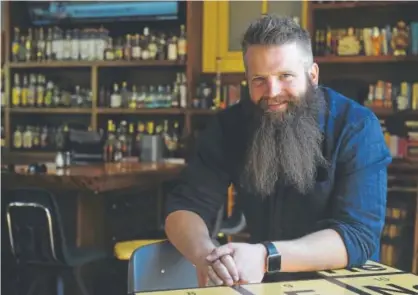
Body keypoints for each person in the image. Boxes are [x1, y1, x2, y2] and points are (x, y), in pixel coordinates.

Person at [164, 14, 392, 286]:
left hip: (342, 283)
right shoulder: (230, 126)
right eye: (259, 79)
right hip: (264, 282)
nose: (272, 92)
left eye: (285, 76)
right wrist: (205, 256)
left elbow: (358, 236)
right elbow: (186, 207)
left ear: (313, 75)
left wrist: (266, 256)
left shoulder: (356, 126)